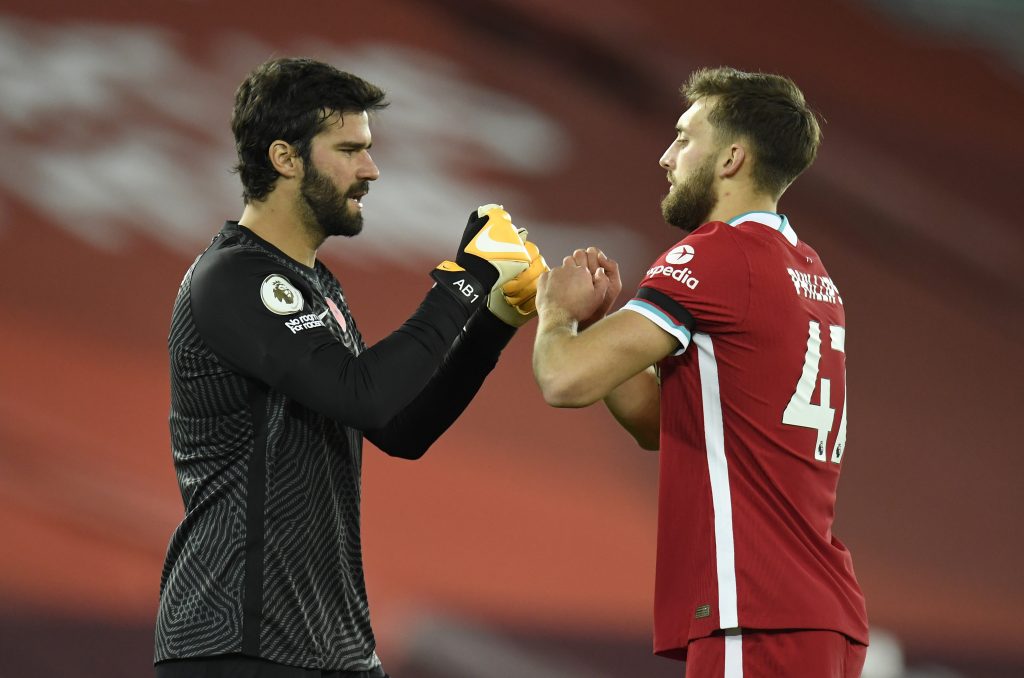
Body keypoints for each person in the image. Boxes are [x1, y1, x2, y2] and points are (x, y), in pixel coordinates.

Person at [155, 57, 546, 678]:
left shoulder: (315, 288)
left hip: (330, 646)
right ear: (285, 158)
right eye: (350, 150)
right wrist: (466, 277)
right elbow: (362, 394)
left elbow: (399, 428)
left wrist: (493, 322)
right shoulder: (234, 278)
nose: (371, 169)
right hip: (239, 641)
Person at [529, 67, 869, 677]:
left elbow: (563, 380)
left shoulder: (716, 254)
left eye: (685, 138)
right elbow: (663, 423)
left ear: (732, 157)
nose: (666, 157)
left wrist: (554, 314)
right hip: (815, 616)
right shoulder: (810, 271)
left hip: (757, 612)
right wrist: (605, 329)